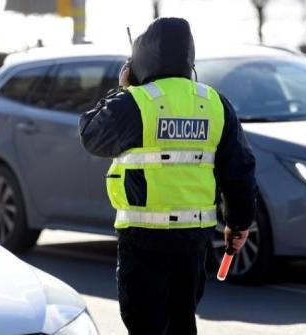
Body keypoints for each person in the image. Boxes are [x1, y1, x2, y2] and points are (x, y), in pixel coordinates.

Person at [79, 17, 257, 335]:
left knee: (145, 325)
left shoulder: (136, 103)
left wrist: (122, 90)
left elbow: (91, 135)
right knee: (182, 321)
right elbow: (239, 169)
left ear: (141, 61)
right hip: (194, 238)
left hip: (143, 238)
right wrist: (239, 222)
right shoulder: (214, 103)